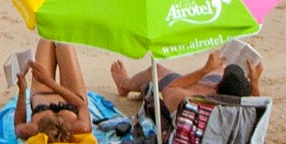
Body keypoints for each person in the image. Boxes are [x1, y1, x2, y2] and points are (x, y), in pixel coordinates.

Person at [109, 47, 264, 110]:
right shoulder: (244, 110)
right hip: (214, 91)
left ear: (217, 87)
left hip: (189, 89)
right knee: (220, 67)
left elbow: (171, 90)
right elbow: (259, 108)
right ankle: (217, 71)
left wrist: (204, 70)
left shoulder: (193, 101)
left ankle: (125, 85)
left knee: (156, 70)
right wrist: (255, 84)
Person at [17, 40, 97, 144]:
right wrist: (49, 82)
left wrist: (22, 91)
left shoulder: (33, 129)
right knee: (62, 39)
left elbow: (18, 124)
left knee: (47, 37)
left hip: (42, 93)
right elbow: (81, 105)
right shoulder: (80, 127)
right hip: (72, 95)